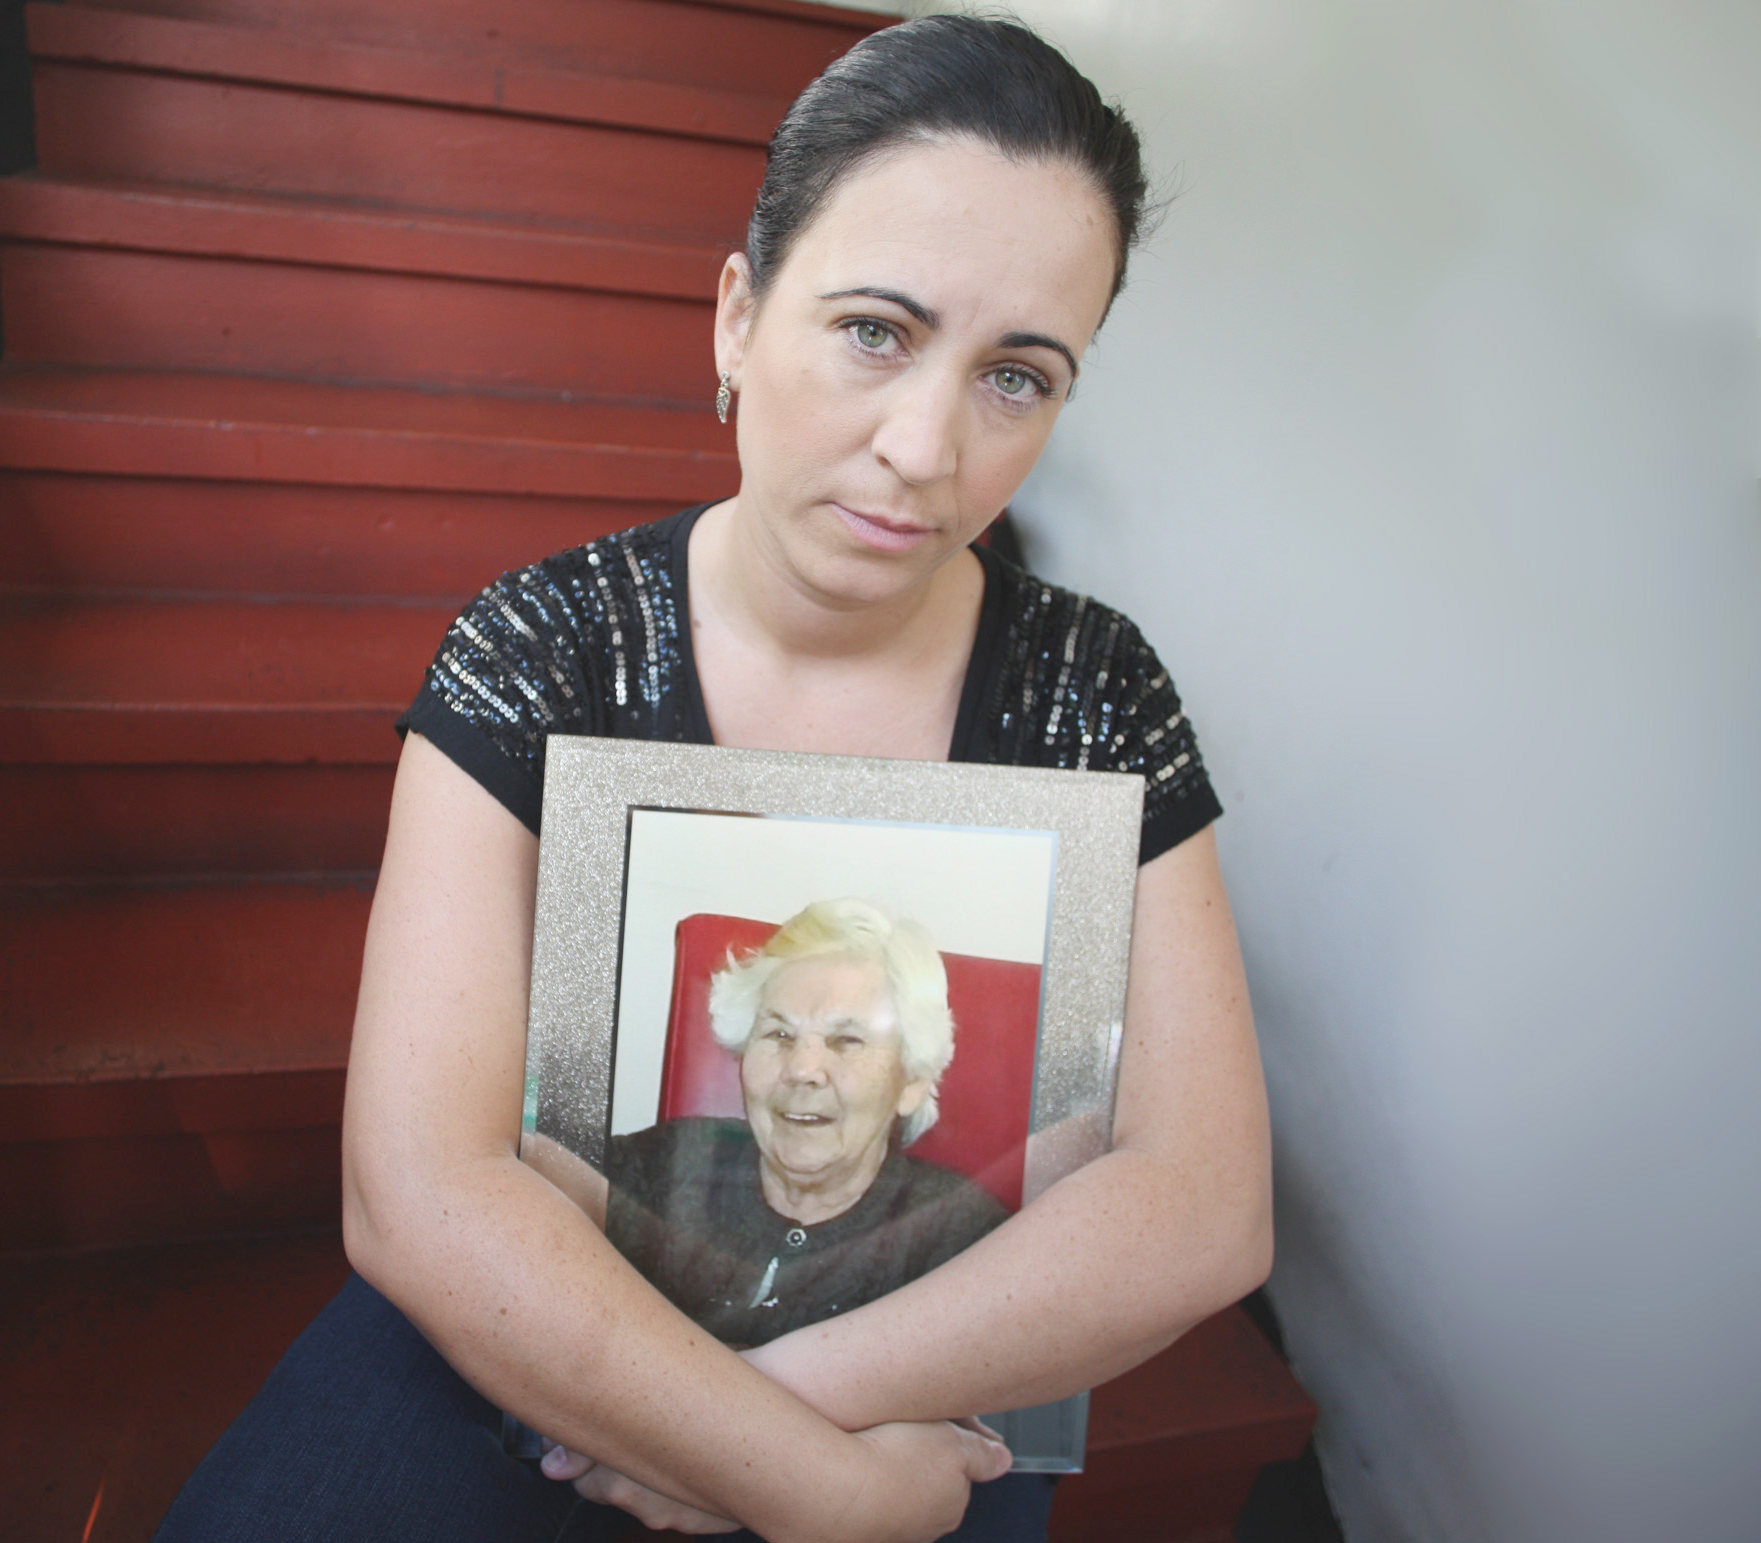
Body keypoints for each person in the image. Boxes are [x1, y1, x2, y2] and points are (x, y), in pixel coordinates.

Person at [158, 15, 1271, 1543]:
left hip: (920, 1377)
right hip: (531, 1344)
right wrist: (808, 1483)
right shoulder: (540, 642)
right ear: (739, 318)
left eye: (1017, 376)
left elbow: (1204, 1201)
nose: (924, 446)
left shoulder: (1095, 690)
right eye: (875, 330)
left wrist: (792, 1411)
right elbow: (418, 1179)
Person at [604, 900, 1010, 1348]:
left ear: (911, 1080)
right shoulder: (665, 1164)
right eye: (779, 1034)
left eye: (846, 1040)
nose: (802, 1069)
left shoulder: (963, 1243)